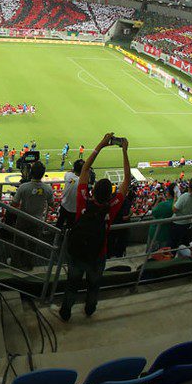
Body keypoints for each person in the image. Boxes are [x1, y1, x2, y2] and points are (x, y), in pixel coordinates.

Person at [58, 133, 130, 322]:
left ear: (93, 190)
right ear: (109, 195)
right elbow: (126, 182)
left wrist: (101, 145)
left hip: (76, 251)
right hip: (98, 254)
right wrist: (124, 151)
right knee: (94, 285)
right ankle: (90, 308)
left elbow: (85, 170)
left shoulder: (83, 199)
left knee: (72, 283)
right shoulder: (112, 206)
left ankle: (66, 310)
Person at [9, 162, 54, 270]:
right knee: (33, 244)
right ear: (43, 174)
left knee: (19, 241)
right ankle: (29, 265)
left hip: (23, 218)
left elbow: (14, 204)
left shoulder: (23, 187)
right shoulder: (48, 188)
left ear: (30, 173)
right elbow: (51, 204)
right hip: (37, 221)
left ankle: (15, 263)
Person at [171, 179, 192, 248]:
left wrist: (175, 199)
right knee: (184, 242)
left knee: (175, 243)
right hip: (189, 222)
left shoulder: (184, 196)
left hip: (178, 223)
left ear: (189, 186)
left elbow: (174, 210)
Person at [57, 160, 83, 230]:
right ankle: (66, 238)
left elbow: (71, 177)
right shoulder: (82, 182)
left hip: (64, 205)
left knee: (59, 223)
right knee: (69, 227)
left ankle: (56, 237)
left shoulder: (68, 175)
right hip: (73, 210)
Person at [148, 184, 175, 250]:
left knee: (152, 253)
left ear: (169, 193)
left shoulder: (163, 204)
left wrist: (157, 200)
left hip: (157, 232)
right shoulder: (176, 203)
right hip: (168, 232)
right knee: (163, 252)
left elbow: (153, 212)